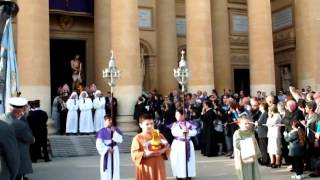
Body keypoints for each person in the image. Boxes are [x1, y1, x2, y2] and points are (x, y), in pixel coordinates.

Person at [131, 113, 170, 180]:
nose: (150, 126)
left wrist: (163, 150)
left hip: (158, 165)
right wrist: (146, 154)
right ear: (140, 125)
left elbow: (167, 148)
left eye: (152, 123)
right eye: (147, 124)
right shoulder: (138, 138)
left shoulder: (159, 135)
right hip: (146, 167)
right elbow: (134, 154)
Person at [4, 97, 35, 180]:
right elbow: (31, 139)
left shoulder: (4, 118)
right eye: (26, 109)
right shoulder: (19, 125)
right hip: (18, 158)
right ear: (21, 110)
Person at [170, 106, 197, 179]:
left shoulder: (189, 123)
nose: (176, 116)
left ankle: (188, 174)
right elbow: (173, 133)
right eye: (176, 115)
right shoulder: (175, 124)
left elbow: (195, 132)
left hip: (188, 143)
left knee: (188, 160)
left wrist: (188, 131)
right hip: (178, 143)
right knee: (177, 159)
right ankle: (178, 174)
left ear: (183, 115)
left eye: (178, 114)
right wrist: (182, 132)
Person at [96, 114, 123, 180]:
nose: (110, 121)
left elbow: (120, 140)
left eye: (111, 120)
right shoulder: (101, 131)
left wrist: (114, 132)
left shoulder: (116, 129)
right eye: (108, 120)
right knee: (107, 171)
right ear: (105, 121)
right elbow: (98, 144)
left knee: (115, 168)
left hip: (115, 151)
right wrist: (107, 149)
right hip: (106, 152)